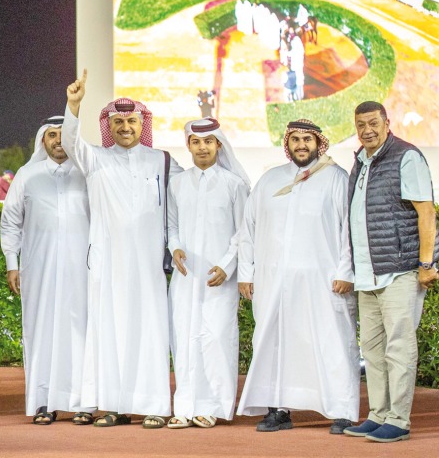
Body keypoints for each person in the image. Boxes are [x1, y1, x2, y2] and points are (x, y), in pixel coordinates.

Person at [63, 70, 183, 428]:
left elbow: (186, 198)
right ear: (109, 126)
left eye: (132, 120)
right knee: (109, 330)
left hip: (147, 265)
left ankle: (154, 406)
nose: (126, 127)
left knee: (150, 331)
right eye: (118, 121)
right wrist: (74, 104)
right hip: (107, 262)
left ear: (141, 123)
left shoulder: (161, 161)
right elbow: (70, 142)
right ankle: (113, 405)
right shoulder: (95, 159)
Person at [237, 119, 357, 434]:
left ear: (319, 143)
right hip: (273, 281)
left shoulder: (335, 178)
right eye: (295, 140)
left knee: (332, 342)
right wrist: (246, 273)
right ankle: (279, 410)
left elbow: (350, 230)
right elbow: (248, 229)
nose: (301, 145)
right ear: (287, 144)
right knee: (276, 344)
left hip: (324, 282)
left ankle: (341, 410)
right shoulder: (269, 180)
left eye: (307, 139)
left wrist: (346, 270)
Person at [342, 102, 437, 443]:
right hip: (368, 274)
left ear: (386, 123)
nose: (367, 129)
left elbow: (426, 212)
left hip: (399, 270)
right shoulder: (361, 161)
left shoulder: (406, 156)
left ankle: (399, 419)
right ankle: (379, 414)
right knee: (373, 348)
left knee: (398, 346)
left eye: (373, 122)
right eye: (360, 124)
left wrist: (426, 264)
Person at [0, 116, 93, 425]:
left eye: (63, 135)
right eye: (52, 135)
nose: (58, 140)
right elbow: (10, 221)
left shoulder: (88, 173)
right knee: (40, 332)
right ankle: (43, 402)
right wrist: (12, 264)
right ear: (43, 140)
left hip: (82, 269)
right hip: (37, 268)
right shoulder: (27, 175)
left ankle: (84, 403)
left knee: (81, 332)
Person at [165, 118, 250, 429]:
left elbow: (244, 232)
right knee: (185, 338)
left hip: (218, 278)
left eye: (208, 142)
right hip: (186, 276)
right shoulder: (177, 183)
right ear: (188, 145)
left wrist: (228, 266)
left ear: (219, 145)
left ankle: (214, 405)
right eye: (196, 142)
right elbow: (171, 225)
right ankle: (185, 406)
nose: (202, 147)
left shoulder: (234, 184)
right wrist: (174, 247)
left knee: (216, 339)